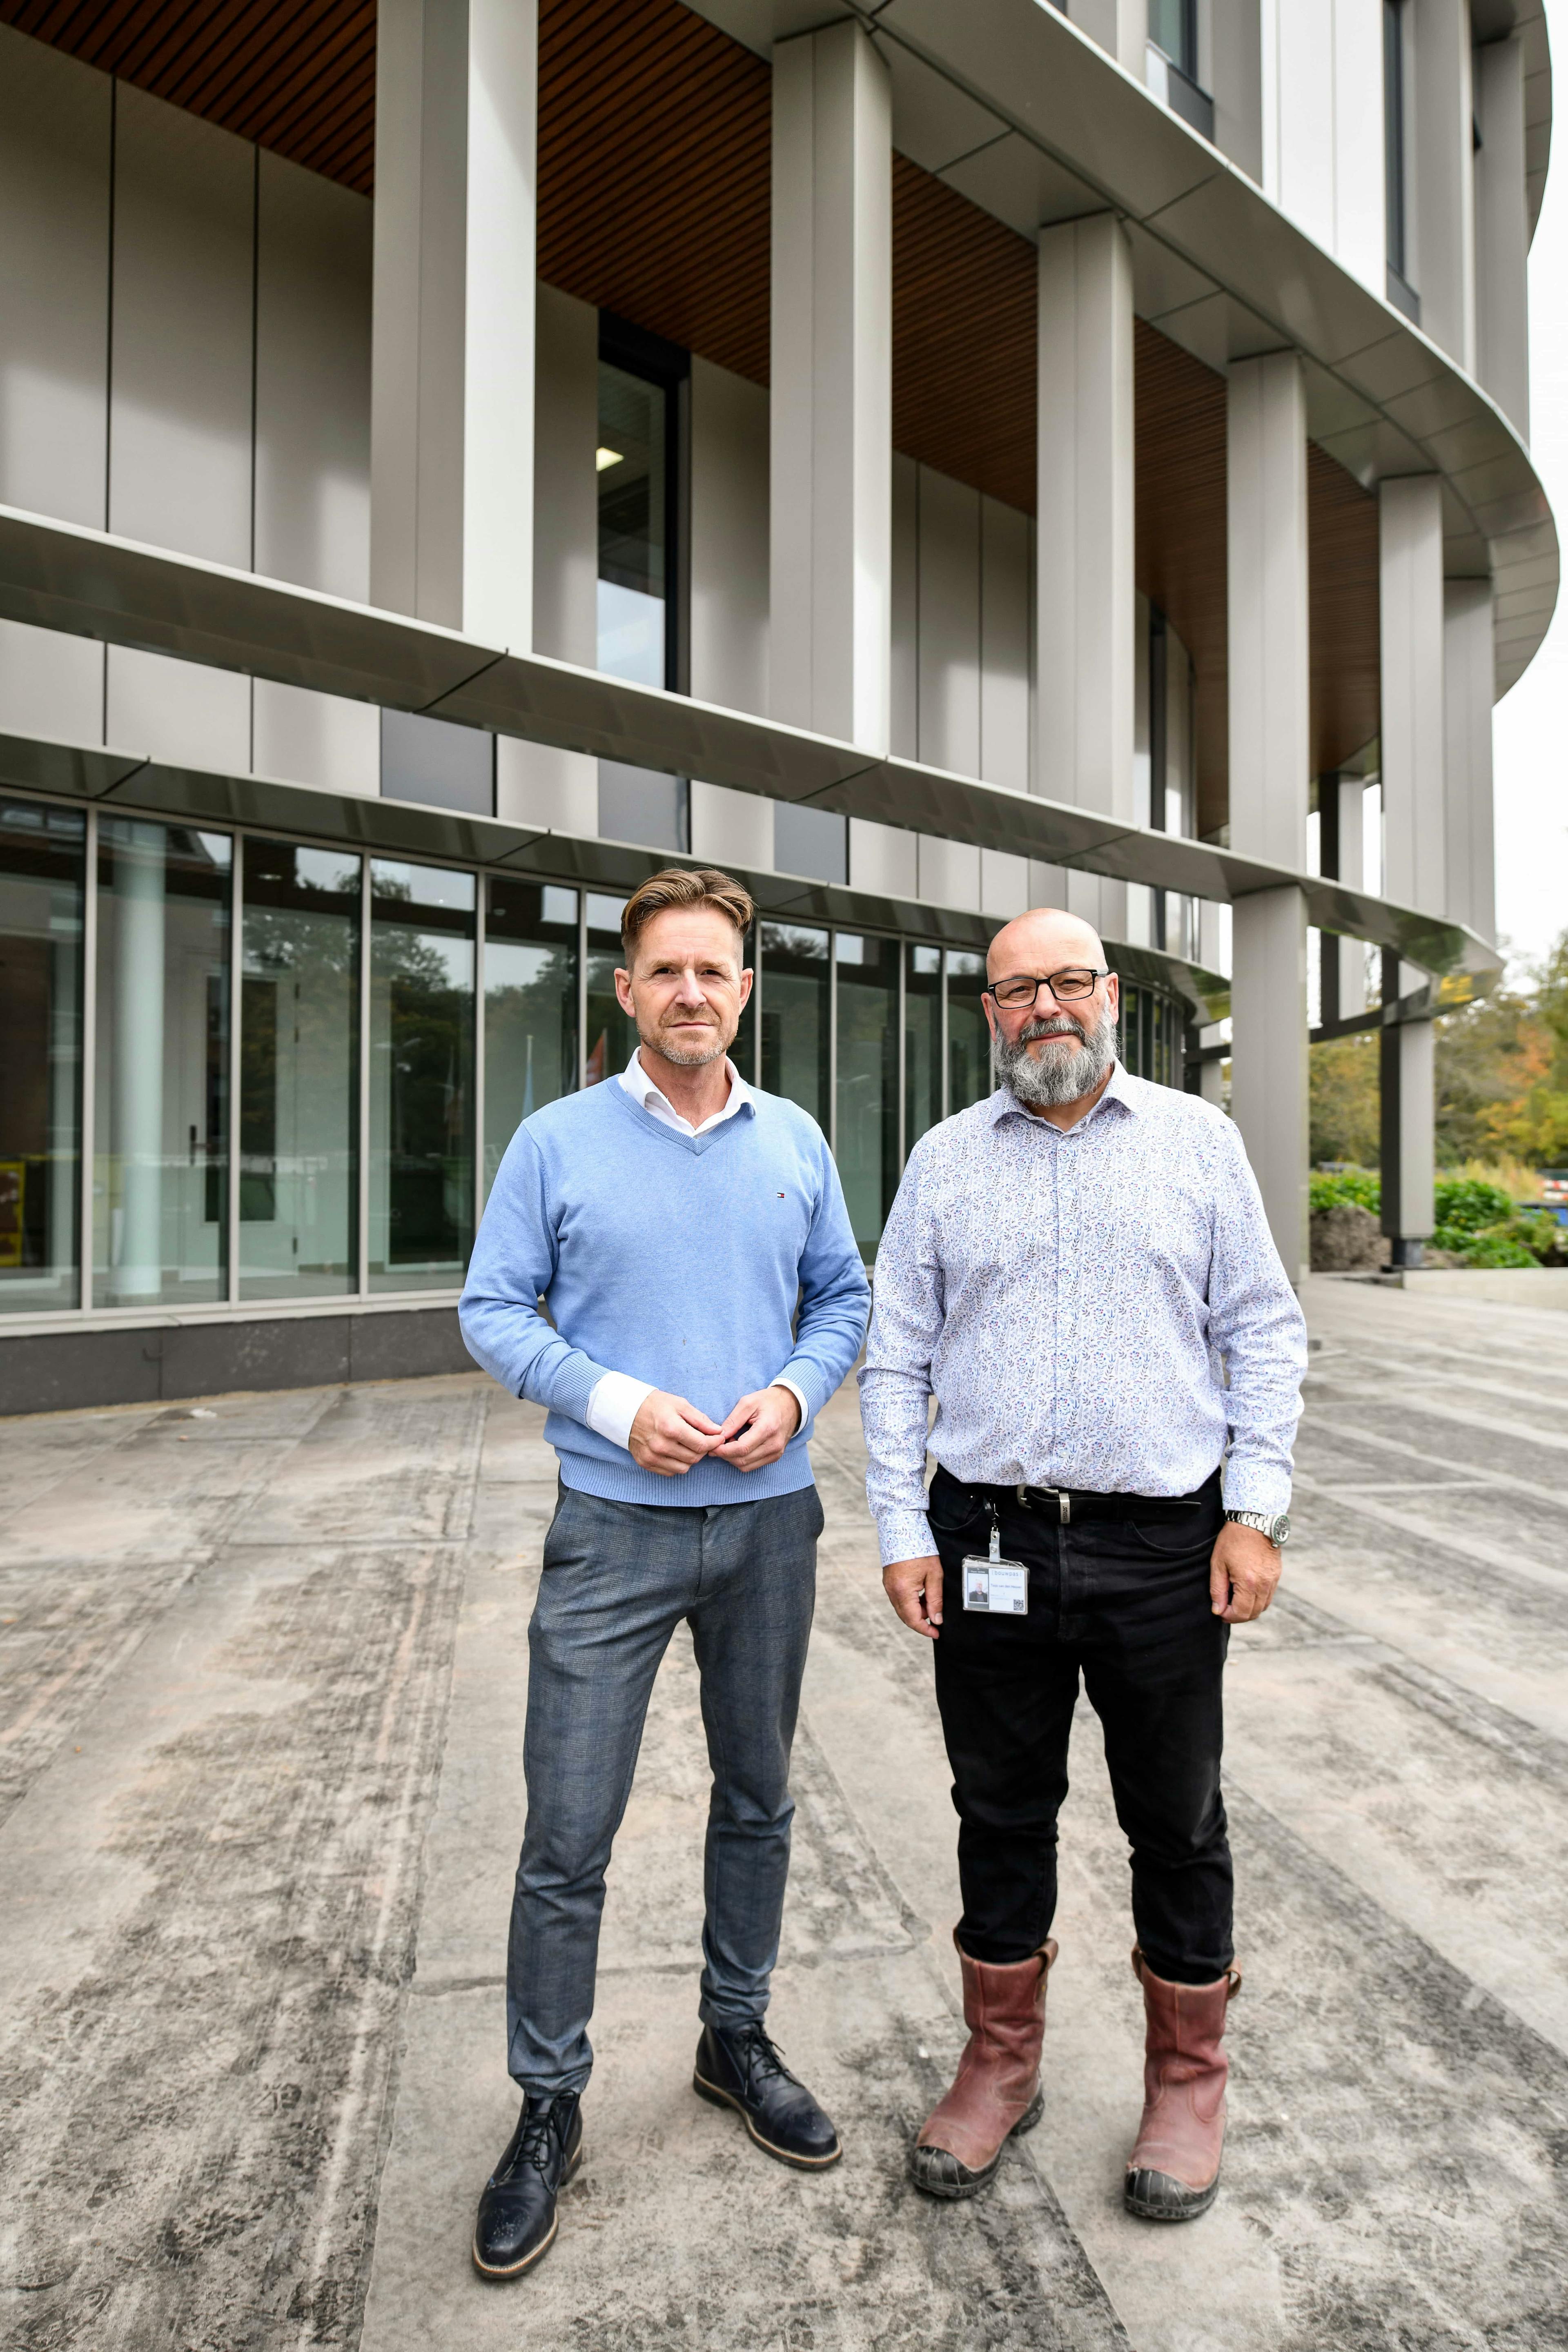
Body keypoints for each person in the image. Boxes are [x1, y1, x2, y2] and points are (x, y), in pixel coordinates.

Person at [859, 904, 1306, 2222]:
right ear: (989, 1012)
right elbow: (895, 1358)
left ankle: (1188, 2081)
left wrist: (1256, 1509)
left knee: (1177, 1819)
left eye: (1068, 982)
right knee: (999, 1812)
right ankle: (1001, 2066)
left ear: (1109, 995)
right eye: (1018, 989)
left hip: (1165, 1547)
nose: (1045, 1006)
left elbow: (1264, 1330)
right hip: (987, 1538)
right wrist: (901, 1531)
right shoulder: (944, 1160)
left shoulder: (1199, 1142)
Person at [460, 866, 869, 2280]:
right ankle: (548, 2103)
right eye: (667, 971)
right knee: (568, 1831)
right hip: (612, 1531)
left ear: (745, 990)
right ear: (627, 989)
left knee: (759, 1798)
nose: (692, 992)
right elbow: (492, 1310)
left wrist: (797, 1395)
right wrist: (617, 1402)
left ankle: (732, 2037)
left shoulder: (796, 1138)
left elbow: (844, 1297)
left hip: (769, 1526)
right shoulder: (556, 1143)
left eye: (715, 971)